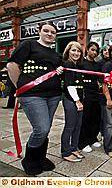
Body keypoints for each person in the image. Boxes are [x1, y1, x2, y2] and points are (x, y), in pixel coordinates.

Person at [6, 21, 62, 175]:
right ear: (39, 31)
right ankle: (30, 160)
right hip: (32, 95)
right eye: (46, 31)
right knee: (41, 128)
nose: (50, 34)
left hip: (53, 96)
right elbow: (12, 66)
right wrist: (20, 87)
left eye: (53, 32)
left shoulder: (56, 55)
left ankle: (41, 158)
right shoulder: (29, 45)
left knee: (46, 129)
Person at [61, 41, 84, 162]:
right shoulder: (68, 64)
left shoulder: (77, 65)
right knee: (70, 126)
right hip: (71, 100)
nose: (76, 53)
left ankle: (74, 148)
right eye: (73, 50)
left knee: (78, 125)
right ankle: (65, 151)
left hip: (78, 100)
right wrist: (78, 101)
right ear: (68, 51)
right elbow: (70, 85)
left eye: (78, 51)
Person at [78, 42, 102, 153]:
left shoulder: (98, 65)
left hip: (96, 94)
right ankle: (83, 142)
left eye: (96, 50)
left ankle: (92, 138)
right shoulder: (81, 62)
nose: (94, 52)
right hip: (85, 94)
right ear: (87, 50)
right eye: (92, 49)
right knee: (85, 119)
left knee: (95, 118)